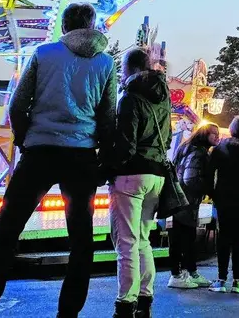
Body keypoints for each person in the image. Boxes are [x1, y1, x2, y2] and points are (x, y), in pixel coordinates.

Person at [0, 3, 117, 318]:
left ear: (64, 26)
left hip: (40, 150)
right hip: (81, 156)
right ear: (92, 26)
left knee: (7, 232)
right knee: (81, 241)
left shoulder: (44, 53)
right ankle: (68, 314)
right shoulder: (106, 63)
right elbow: (107, 118)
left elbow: (17, 105)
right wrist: (103, 159)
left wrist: (25, 140)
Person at [104, 48, 173, 318]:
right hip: (156, 175)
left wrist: (109, 166)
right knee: (143, 239)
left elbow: (126, 144)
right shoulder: (163, 96)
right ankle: (145, 298)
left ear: (129, 68)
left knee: (126, 242)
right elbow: (166, 140)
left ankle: (125, 303)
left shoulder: (130, 96)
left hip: (131, 176)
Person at [206, 116, 239, 294]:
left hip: (224, 197)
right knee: (238, 238)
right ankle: (238, 280)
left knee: (223, 238)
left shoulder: (221, 147)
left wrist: (212, 193)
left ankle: (221, 279)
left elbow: (209, 171)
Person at [167, 123, 217, 289]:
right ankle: (178, 275)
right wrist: (208, 189)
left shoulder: (186, 147)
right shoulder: (198, 152)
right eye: (213, 134)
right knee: (185, 238)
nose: (217, 137)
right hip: (187, 201)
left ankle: (187, 272)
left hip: (177, 199)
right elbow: (190, 179)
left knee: (180, 238)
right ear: (204, 135)